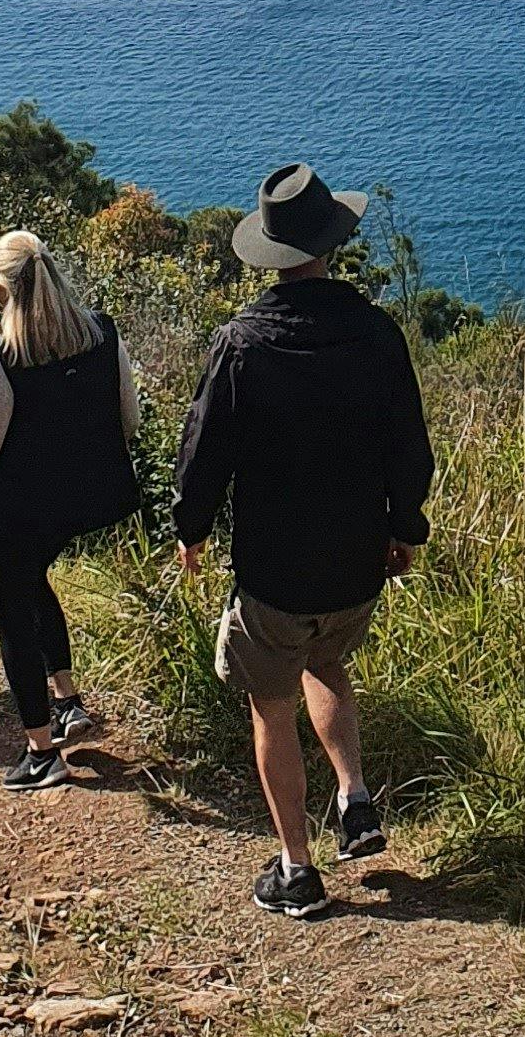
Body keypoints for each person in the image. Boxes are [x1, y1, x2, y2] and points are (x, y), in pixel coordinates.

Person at [172, 163, 433, 919]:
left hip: (274, 573)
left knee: (271, 702)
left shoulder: (242, 343)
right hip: (356, 567)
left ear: (271, 253)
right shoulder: (376, 334)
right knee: (328, 659)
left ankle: (297, 870)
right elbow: (409, 448)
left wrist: (189, 532)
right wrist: (403, 529)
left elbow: (202, 454)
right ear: (331, 246)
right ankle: (355, 798)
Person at [0, 230, 141, 791]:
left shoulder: (4, 360)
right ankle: (67, 702)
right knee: (34, 581)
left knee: (14, 613)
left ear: (1, 290)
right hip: (86, 500)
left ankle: (42, 753)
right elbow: (128, 419)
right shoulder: (102, 334)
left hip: (16, 512)